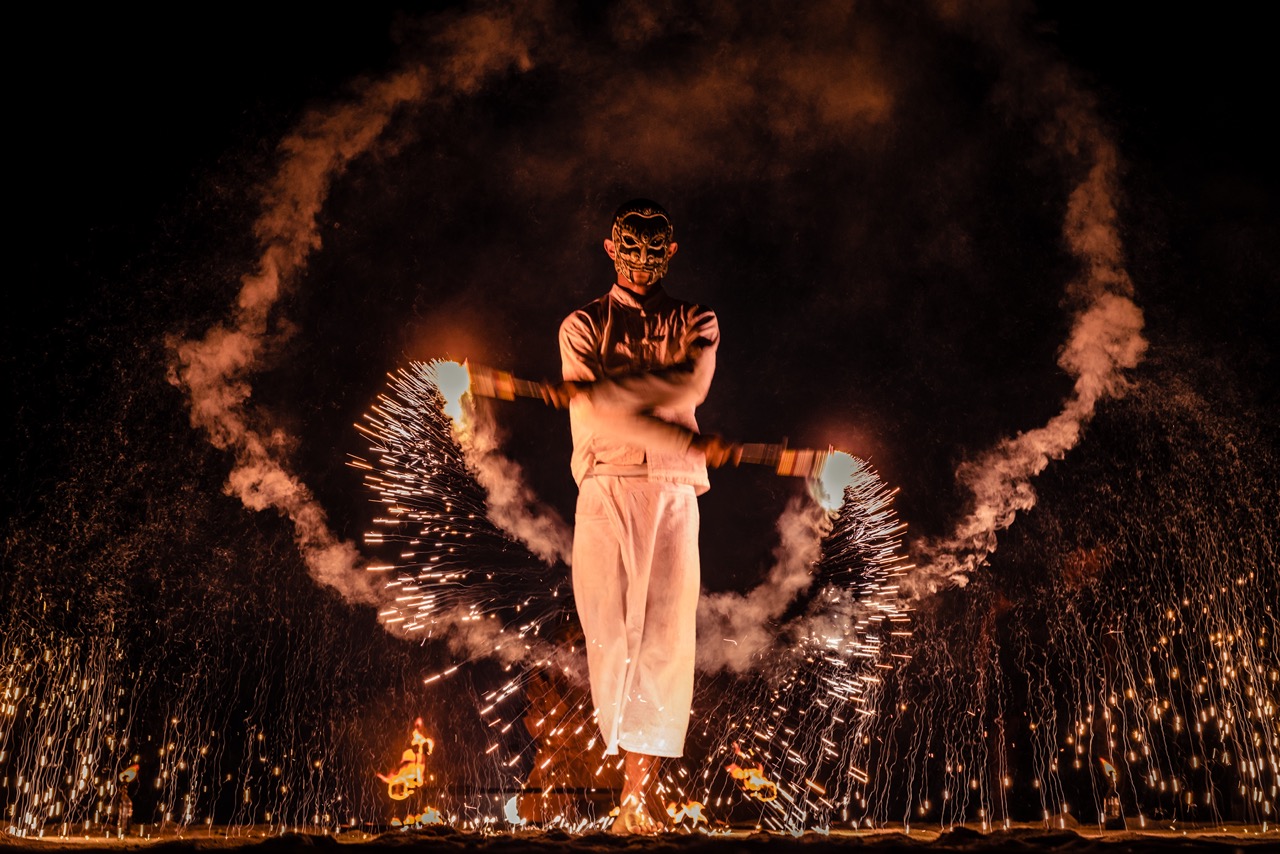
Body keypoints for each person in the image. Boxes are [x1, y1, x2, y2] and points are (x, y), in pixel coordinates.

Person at [542, 199, 739, 834]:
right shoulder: (581, 324)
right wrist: (611, 401)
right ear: (610, 248)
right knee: (608, 634)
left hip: (675, 486)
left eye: (657, 249)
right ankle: (620, 777)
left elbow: (688, 388)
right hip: (605, 481)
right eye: (631, 247)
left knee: (665, 638)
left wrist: (610, 393)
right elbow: (601, 410)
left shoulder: (696, 319)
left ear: (671, 253)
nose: (643, 261)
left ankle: (635, 800)